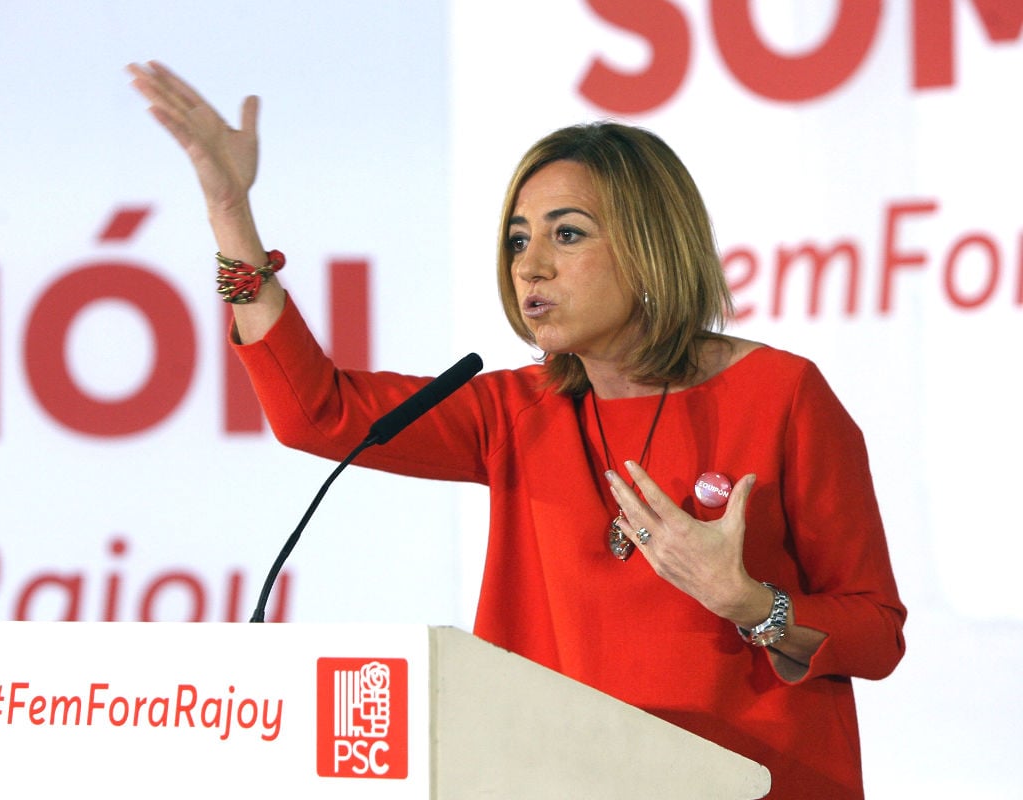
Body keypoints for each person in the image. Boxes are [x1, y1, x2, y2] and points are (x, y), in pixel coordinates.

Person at [128, 60, 906, 798]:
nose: (530, 265)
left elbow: (876, 632)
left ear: (649, 246)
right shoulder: (515, 413)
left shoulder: (782, 394)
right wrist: (231, 214)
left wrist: (748, 603)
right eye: (518, 239)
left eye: (567, 234)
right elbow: (316, 413)